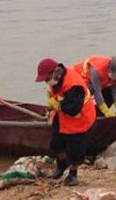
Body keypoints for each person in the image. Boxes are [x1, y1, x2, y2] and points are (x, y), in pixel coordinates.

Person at [35, 58, 96, 186]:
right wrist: (52, 110)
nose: (47, 82)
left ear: (56, 71)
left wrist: (57, 105)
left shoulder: (73, 85)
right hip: (63, 116)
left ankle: (73, 175)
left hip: (80, 119)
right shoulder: (55, 80)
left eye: (47, 78)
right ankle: (61, 166)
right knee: (56, 145)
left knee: (75, 150)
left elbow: (73, 109)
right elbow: (53, 97)